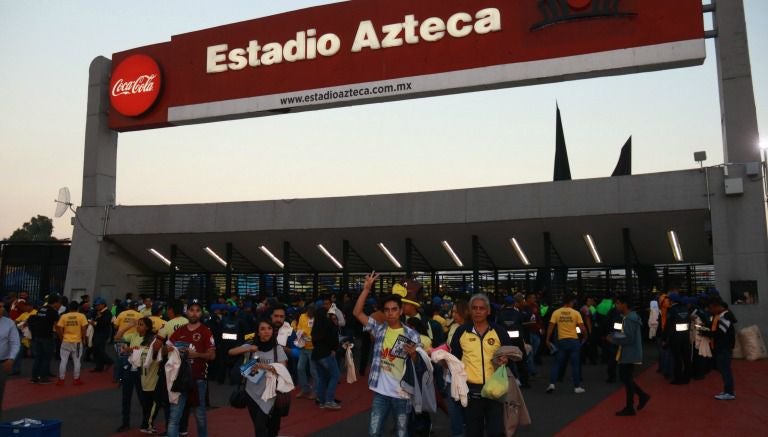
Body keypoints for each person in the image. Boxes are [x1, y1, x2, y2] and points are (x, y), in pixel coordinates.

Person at [353, 273, 422, 437]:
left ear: (400, 311)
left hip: (402, 393)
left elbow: (419, 365)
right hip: (381, 392)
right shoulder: (379, 329)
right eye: (387, 310)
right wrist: (366, 290)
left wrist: (413, 355)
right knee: (374, 432)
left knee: (401, 433)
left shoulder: (412, 335)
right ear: (384, 312)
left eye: (394, 309)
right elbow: (357, 313)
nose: (390, 313)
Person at [449, 293, 513, 437]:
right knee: (473, 431)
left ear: (488, 311)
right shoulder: (461, 331)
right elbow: (454, 360)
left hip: (495, 388)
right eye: (474, 308)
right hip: (471, 390)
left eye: (482, 308)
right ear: (470, 311)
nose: (478, 311)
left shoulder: (499, 331)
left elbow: (512, 352)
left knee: (496, 431)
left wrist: (506, 358)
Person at [229, 319, 290, 436]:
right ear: (257, 332)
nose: (266, 331)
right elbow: (231, 352)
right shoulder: (251, 346)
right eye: (262, 329)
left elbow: (283, 370)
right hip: (251, 393)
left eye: (269, 328)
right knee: (259, 426)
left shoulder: (277, 349)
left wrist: (264, 366)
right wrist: (248, 348)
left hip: (269, 394)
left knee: (261, 427)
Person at [166, 299, 215, 437]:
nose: (194, 313)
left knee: (200, 417)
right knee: (174, 417)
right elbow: (165, 348)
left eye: (197, 310)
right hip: (179, 378)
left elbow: (212, 356)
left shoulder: (206, 332)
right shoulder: (180, 330)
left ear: (201, 313)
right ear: (187, 312)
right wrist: (169, 349)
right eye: (191, 310)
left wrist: (196, 354)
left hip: (198, 379)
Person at [608, 295, 650, 416]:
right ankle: (637, 400)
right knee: (627, 378)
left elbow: (629, 338)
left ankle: (633, 404)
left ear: (624, 304)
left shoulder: (629, 319)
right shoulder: (630, 317)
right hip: (630, 352)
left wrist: (613, 340)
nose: (616, 306)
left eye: (618, 303)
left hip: (629, 353)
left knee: (626, 378)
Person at [114, 317, 158, 433]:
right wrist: (130, 325)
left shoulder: (151, 338)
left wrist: (130, 349)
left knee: (143, 399)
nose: (138, 326)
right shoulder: (134, 335)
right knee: (126, 398)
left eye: (141, 325)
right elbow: (117, 336)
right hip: (130, 370)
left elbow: (149, 352)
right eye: (138, 324)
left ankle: (146, 423)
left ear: (147, 327)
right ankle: (125, 423)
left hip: (142, 372)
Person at [545, 294, 587, 394]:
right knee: (575, 364)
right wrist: (585, 336)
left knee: (557, 363)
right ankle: (577, 387)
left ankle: (552, 384)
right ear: (571, 302)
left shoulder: (556, 312)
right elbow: (582, 328)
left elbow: (551, 327)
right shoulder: (576, 313)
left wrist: (547, 339)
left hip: (561, 341)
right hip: (573, 341)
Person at [704, 298, 737, 400]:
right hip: (722, 347)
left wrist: (706, 333)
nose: (710, 310)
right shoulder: (719, 316)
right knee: (723, 369)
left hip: (724, 347)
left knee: (725, 369)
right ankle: (728, 391)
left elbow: (720, 334)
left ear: (717, 306)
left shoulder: (725, 317)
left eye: (711, 308)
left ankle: (729, 392)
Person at [312, 305, 341, 409]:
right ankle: (329, 400)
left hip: (316, 355)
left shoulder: (315, 325)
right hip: (326, 354)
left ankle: (321, 399)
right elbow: (333, 339)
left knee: (322, 377)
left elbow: (314, 341)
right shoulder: (328, 323)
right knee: (335, 375)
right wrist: (334, 349)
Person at [28, 294, 61, 384]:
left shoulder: (41, 309)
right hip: (47, 337)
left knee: (38, 357)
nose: (59, 305)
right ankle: (43, 377)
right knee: (46, 357)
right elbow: (56, 326)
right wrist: (61, 336)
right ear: (55, 302)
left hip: (37, 336)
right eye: (58, 302)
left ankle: (34, 377)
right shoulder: (53, 312)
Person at [55, 300, 88, 386]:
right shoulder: (81, 316)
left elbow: (58, 328)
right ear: (78, 308)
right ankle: (76, 379)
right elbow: (84, 328)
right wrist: (84, 338)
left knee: (63, 360)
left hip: (65, 341)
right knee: (77, 361)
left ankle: (61, 380)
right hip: (77, 342)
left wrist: (62, 337)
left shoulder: (64, 316)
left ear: (69, 308)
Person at [0, 302, 21, 419]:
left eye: (3, 306)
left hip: (2, 363)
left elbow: (15, 342)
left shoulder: (9, 323)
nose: (2, 309)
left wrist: (11, 358)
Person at [294, 304, 318, 400]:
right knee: (300, 368)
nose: (310, 314)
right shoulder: (302, 316)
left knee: (313, 371)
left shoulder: (317, 319)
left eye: (312, 313)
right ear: (307, 311)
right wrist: (300, 332)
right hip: (303, 346)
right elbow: (298, 327)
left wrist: (309, 336)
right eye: (309, 312)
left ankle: (316, 391)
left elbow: (317, 332)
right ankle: (305, 388)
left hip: (313, 348)